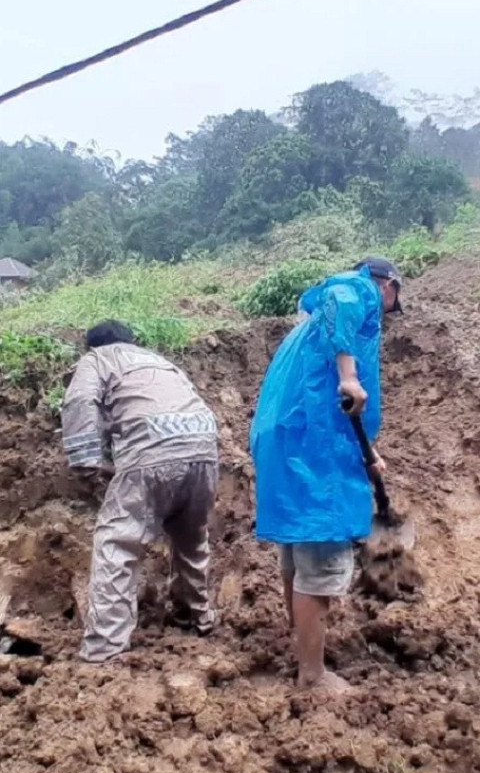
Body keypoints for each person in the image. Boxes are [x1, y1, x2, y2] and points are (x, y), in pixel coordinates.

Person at [250, 258, 403, 691]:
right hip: (315, 455)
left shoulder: (308, 330)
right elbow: (342, 298)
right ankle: (313, 675)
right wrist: (351, 376)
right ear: (388, 285)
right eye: (393, 303)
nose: (388, 313)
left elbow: (324, 401)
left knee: (298, 558)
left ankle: (302, 649)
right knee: (319, 559)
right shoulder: (356, 292)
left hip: (291, 442)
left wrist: (367, 451)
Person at [61, 320, 218, 663]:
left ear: (93, 347)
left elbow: (80, 400)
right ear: (133, 340)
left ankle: (105, 648)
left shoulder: (98, 360)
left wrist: (86, 460)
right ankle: (196, 616)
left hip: (153, 452)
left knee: (118, 542)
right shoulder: (159, 361)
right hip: (205, 449)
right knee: (191, 537)